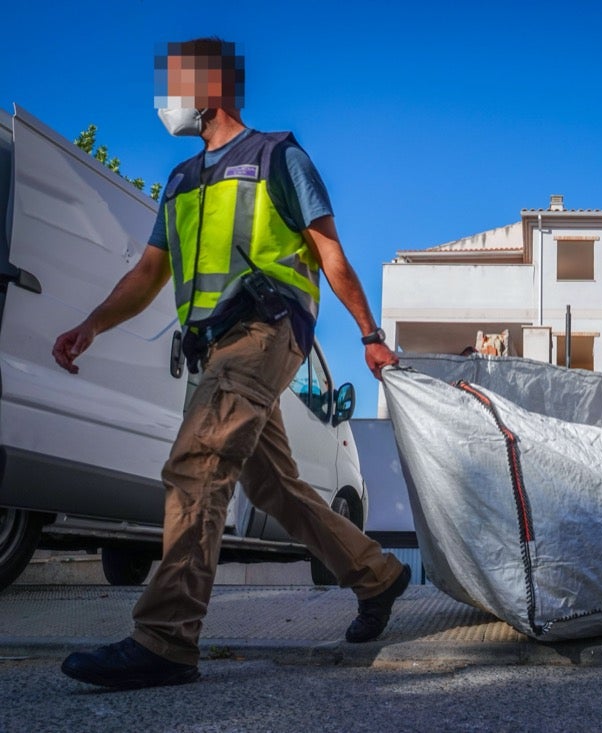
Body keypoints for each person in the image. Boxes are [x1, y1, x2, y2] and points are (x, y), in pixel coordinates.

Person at [54, 39, 410, 689]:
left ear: (210, 87)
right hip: (214, 349)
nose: (166, 99)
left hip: (264, 329)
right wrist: (91, 325)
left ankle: (165, 638)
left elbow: (329, 253)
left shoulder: (278, 156)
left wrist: (369, 333)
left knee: (197, 462)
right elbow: (147, 273)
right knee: (273, 488)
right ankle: (377, 575)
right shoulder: (182, 181)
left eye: (175, 85)